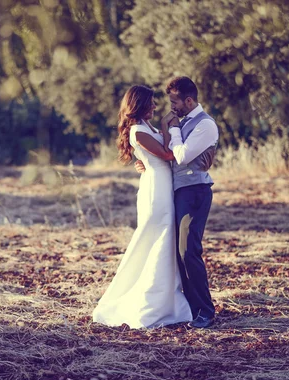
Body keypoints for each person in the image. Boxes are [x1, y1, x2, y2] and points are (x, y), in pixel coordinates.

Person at [92, 85, 192, 329]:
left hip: (162, 184)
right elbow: (168, 155)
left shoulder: (147, 127)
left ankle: (168, 300)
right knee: (155, 237)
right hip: (155, 190)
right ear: (140, 104)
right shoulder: (137, 131)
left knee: (165, 240)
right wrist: (169, 128)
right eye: (152, 103)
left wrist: (146, 157)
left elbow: (155, 155)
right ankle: (149, 303)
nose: (156, 107)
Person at [135, 76, 218, 329]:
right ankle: (191, 308)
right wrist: (147, 164)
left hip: (195, 191)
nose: (171, 106)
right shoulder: (183, 122)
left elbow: (180, 156)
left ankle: (206, 311)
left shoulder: (206, 125)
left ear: (189, 100)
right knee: (179, 252)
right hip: (179, 191)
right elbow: (167, 155)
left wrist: (171, 129)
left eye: (175, 102)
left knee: (188, 251)